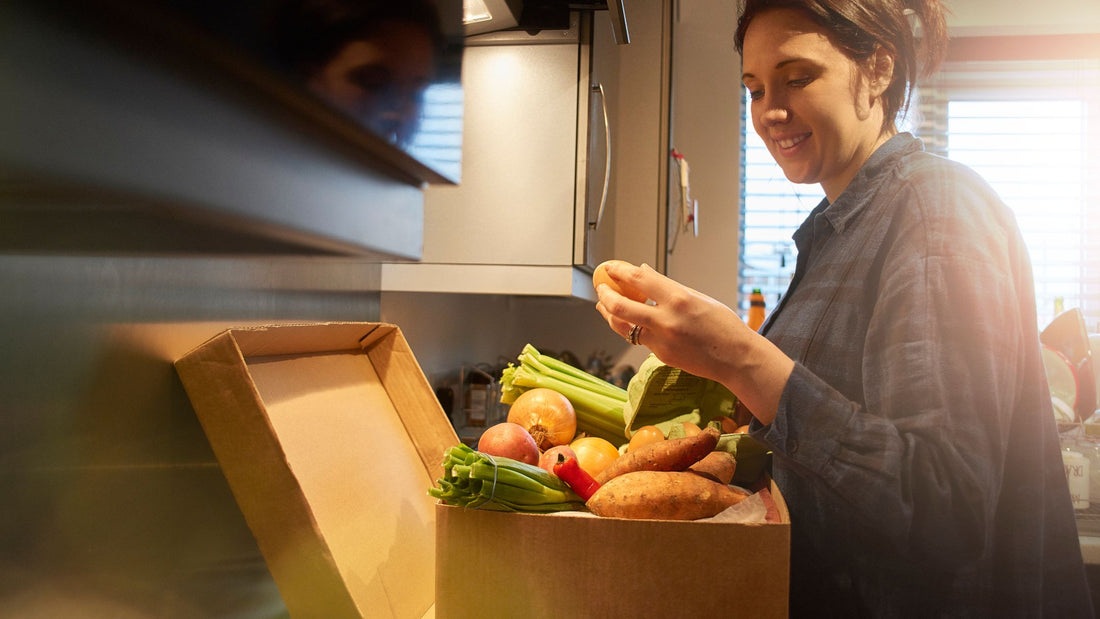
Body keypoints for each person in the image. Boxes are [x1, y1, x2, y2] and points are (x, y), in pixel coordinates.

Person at [594, 0, 1095, 616]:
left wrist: (738, 357)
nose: (770, 112)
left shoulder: (937, 211)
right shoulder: (839, 230)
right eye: (753, 89)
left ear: (878, 68)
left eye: (797, 77)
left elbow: (947, 509)